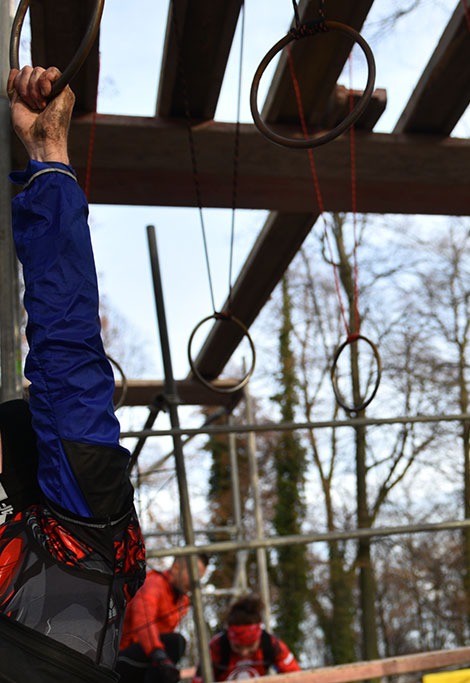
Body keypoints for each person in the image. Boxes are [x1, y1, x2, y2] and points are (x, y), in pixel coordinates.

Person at [0, 66, 146, 682]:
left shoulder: (73, 540)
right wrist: (48, 158)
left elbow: (64, 362)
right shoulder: (78, 538)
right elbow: (65, 348)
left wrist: (49, 155)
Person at [116, 554, 208, 682]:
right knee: (176, 642)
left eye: (199, 578)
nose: (194, 582)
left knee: (174, 648)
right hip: (122, 656)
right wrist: (159, 654)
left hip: (149, 657)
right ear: (176, 567)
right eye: (193, 575)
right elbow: (143, 621)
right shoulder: (153, 584)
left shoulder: (182, 600)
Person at [201, 595, 300, 680]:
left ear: (259, 639)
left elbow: (297, 677)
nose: (244, 652)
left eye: (250, 645)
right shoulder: (216, 647)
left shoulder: (271, 644)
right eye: (237, 646)